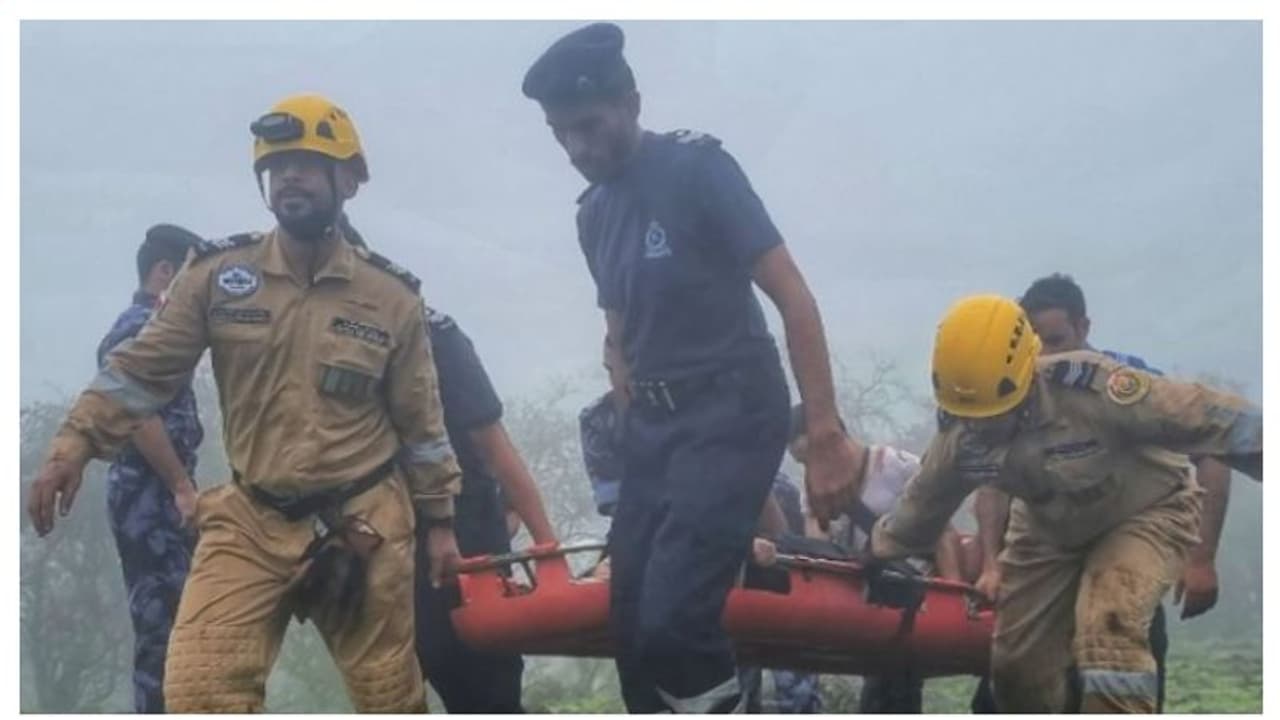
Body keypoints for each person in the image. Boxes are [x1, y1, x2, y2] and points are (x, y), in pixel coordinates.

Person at [26, 93, 463, 712]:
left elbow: (423, 424)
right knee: (197, 694)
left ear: (348, 179)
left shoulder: (391, 297)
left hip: (363, 521)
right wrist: (70, 447)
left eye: (307, 163)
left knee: (388, 698)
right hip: (251, 519)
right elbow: (139, 372)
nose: (289, 176)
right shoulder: (217, 276)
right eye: (277, 165)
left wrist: (440, 521)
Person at [525, 22, 867, 712]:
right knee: (628, 625)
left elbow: (793, 295)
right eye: (562, 135)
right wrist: (624, 390)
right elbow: (617, 330)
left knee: (677, 621)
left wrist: (825, 434)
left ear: (631, 101)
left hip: (733, 411)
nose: (577, 149)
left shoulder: (698, 170)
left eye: (588, 126)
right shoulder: (593, 214)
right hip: (656, 428)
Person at [870, 294, 1262, 713]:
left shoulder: (1096, 388)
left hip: (1144, 512)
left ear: (1024, 376)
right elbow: (920, 508)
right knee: (1016, 667)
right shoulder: (961, 435)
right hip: (1047, 530)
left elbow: (1212, 417)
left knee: (1110, 629)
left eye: (996, 412)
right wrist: (875, 556)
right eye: (971, 415)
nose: (982, 426)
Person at [969, 273, 1234, 713]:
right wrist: (992, 565)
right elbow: (991, 484)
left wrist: (1202, 558)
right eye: (1038, 347)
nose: (1048, 358)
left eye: (1057, 341)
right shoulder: (1016, 393)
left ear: (1084, 327)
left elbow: (1212, 453)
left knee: (1117, 668)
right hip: (1045, 574)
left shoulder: (1128, 383)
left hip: (1124, 574)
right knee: (1010, 683)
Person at [773, 405, 964, 714]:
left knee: (892, 691)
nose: (812, 468)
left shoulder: (896, 466)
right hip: (865, 594)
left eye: (813, 456)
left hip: (912, 591)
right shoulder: (814, 489)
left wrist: (953, 596)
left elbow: (943, 531)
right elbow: (818, 550)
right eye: (803, 462)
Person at [413, 306, 557, 713]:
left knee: (486, 685)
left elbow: (495, 446)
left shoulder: (435, 335)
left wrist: (548, 551)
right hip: (377, 536)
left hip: (465, 531)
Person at [99, 223, 205, 713]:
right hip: (150, 494)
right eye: (189, 276)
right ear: (166, 272)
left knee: (184, 621)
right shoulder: (137, 330)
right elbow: (135, 415)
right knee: (161, 629)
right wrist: (181, 485)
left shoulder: (159, 328)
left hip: (162, 492)